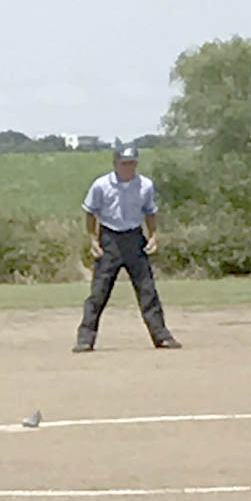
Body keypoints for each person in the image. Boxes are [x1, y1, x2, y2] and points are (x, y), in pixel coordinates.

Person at [72, 145, 181, 352]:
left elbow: (150, 212)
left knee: (147, 289)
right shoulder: (101, 185)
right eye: (124, 163)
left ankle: (161, 336)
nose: (129, 167)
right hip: (109, 238)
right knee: (99, 292)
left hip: (134, 237)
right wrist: (93, 241)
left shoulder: (145, 185)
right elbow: (90, 213)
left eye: (132, 163)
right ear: (116, 164)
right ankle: (85, 338)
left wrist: (153, 236)